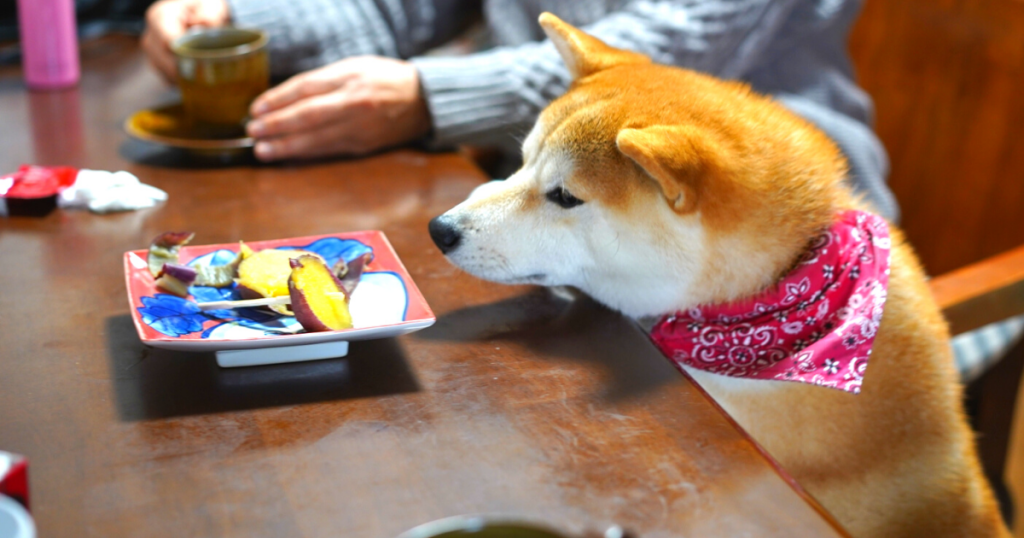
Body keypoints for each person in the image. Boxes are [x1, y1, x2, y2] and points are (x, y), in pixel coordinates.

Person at [141, 0, 898, 221]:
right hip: (551, 202)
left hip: (769, 230)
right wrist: (231, 22)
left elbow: (664, 55)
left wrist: (425, 98)